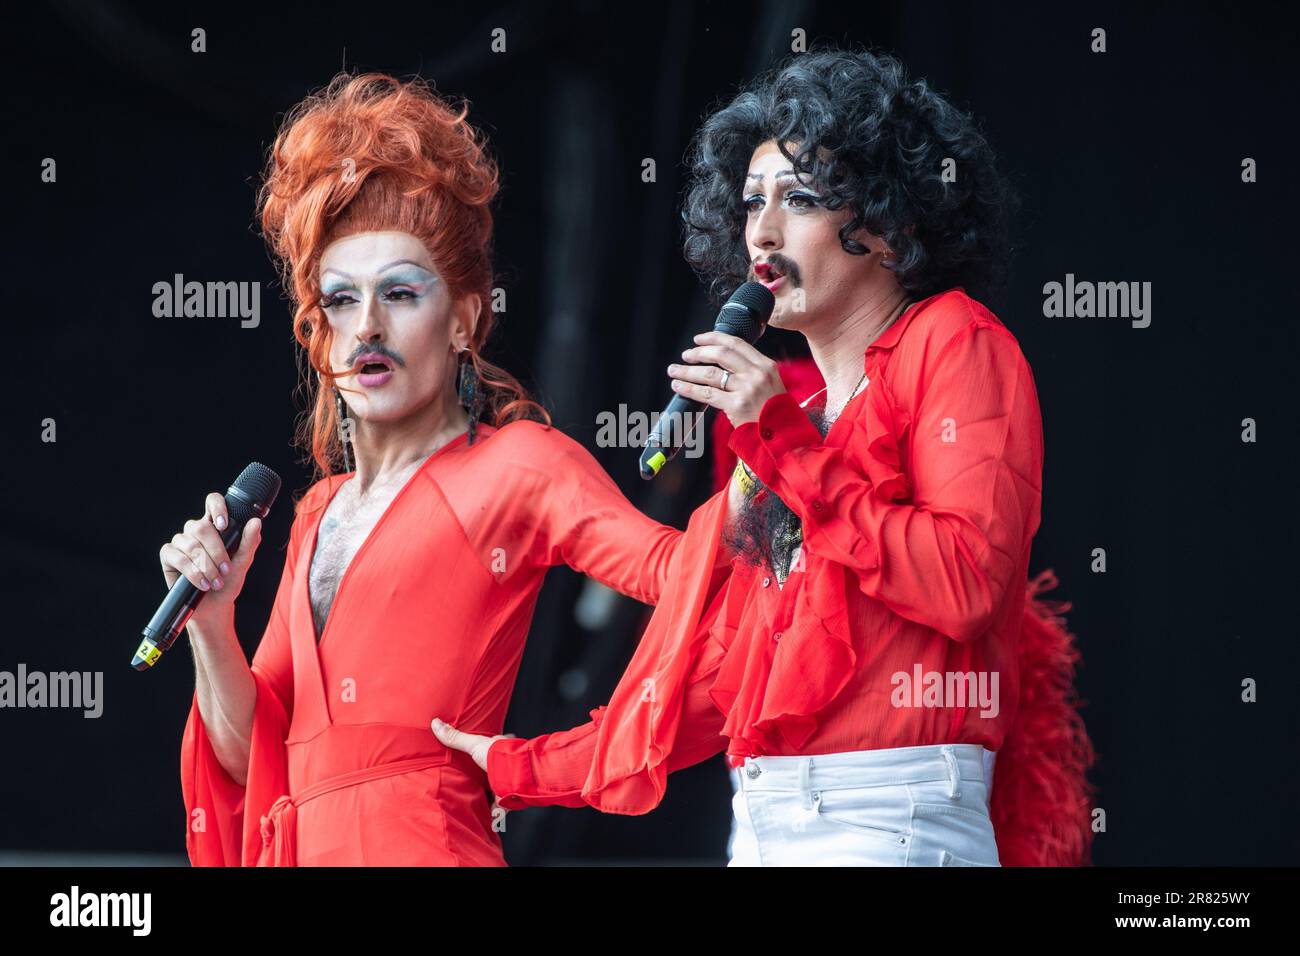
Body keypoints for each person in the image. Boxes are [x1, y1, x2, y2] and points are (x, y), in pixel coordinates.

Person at [434, 47, 1096, 866]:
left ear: (890, 225)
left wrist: (782, 439)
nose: (764, 231)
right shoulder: (796, 424)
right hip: (766, 822)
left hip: (892, 820)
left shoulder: (954, 343)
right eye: (751, 204)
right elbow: (722, 679)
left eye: (801, 199)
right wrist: (514, 764)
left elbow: (964, 584)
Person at [167, 72, 716, 866]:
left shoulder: (519, 463)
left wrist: (571, 758)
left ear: (463, 318)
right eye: (341, 302)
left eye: (399, 292)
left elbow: (689, 574)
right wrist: (213, 628)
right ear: (318, 336)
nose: (369, 328)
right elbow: (251, 761)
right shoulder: (318, 510)